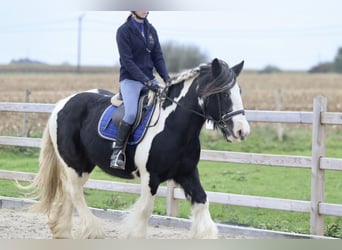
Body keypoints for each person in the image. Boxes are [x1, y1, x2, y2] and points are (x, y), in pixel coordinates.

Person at [111, 11, 171, 169]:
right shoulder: (123, 31)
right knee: (130, 113)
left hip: (150, 79)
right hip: (130, 80)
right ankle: (117, 153)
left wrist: (167, 78)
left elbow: (158, 57)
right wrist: (144, 80)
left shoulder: (151, 30)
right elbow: (127, 61)